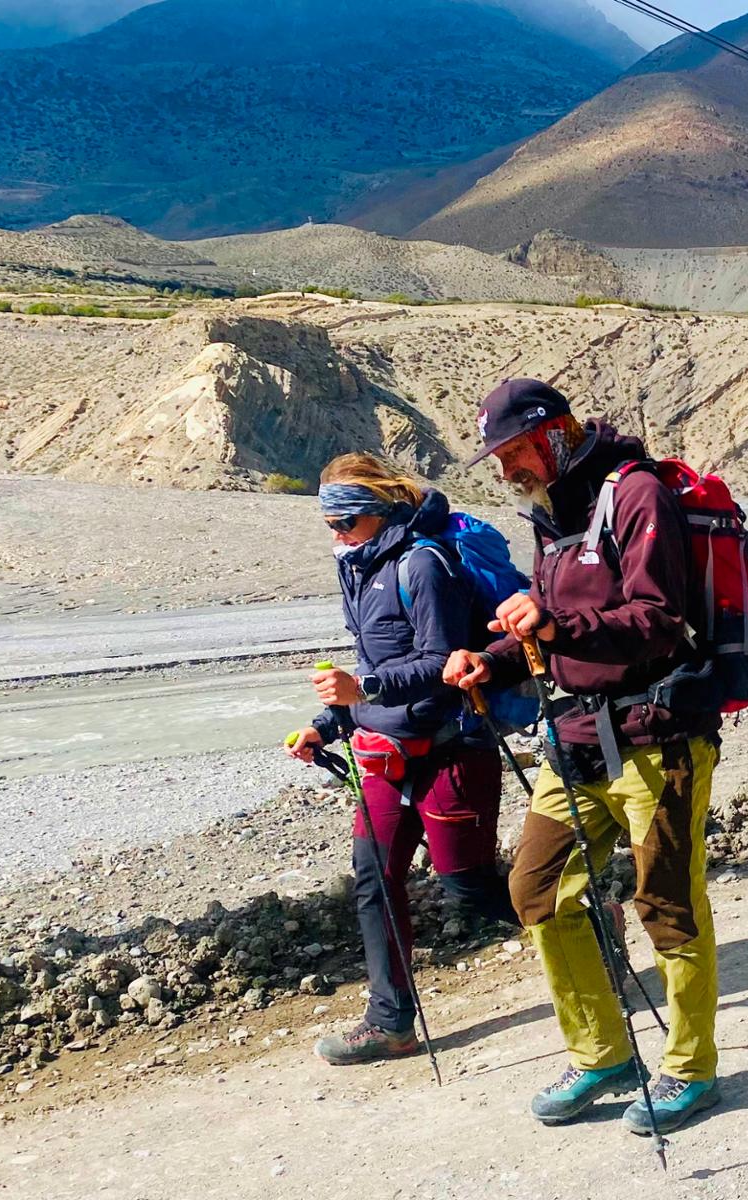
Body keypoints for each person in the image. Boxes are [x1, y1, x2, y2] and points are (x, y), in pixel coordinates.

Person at [441, 379, 724, 1135]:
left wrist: (554, 624)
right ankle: (601, 1052)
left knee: (667, 906)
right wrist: (492, 661)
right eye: (499, 460)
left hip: (657, 736)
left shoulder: (635, 495)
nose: (506, 472)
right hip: (573, 737)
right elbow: (546, 626)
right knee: (536, 891)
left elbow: (657, 620)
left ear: (555, 432)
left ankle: (690, 1069)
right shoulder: (554, 514)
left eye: (512, 454)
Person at [286, 453, 519, 1065]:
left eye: (348, 522)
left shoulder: (424, 563)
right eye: (330, 525)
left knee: (467, 887)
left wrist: (361, 694)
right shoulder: (359, 569)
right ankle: (390, 1023)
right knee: (375, 882)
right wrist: (326, 724)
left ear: (381, 511)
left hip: (453, 747)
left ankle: (592, 923)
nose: (337, 536)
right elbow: (372, 667)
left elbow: (444, 664)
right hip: (386, 753)